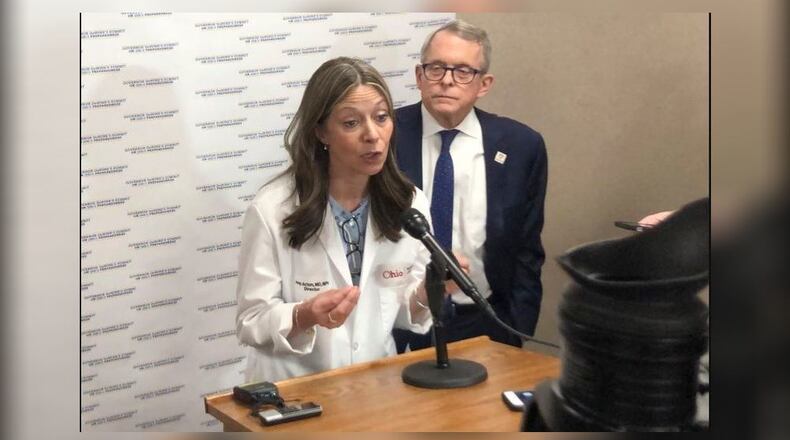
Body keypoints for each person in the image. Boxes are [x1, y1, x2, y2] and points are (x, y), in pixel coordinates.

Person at [236, 57, 439, 382]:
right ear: (321, 132)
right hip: (293, 390)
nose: (373, 135)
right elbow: (251, 321)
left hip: (374, 387)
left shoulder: (409, 203)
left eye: (382, 117)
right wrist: (304, 315)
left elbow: (401, 313)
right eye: (351, 123)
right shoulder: (273, 209)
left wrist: (430, 292)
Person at [393, 19, 548, 351]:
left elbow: (527, 249)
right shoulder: (385, 137)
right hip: (399, 321)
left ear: (484, 84)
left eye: (463, 71)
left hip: (485, 321)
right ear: (419, 76)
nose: (447, 81)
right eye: (436, 68)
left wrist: (516, 329)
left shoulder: (522, 146)